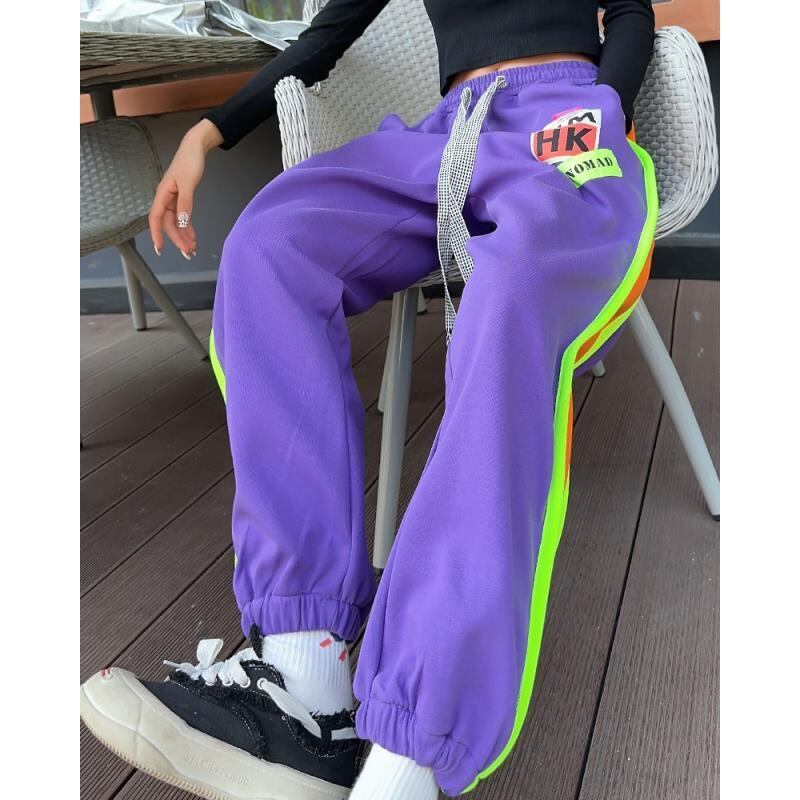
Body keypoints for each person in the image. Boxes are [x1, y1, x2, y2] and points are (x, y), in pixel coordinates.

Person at [80, 1, 657, 798]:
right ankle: (305, 680)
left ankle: (410, 756)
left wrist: (608, 107)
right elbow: (327, 36)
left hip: (565, 119)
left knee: (513, 294)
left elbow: (630, 10)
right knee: (269, 246)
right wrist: (205, 133)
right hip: (443, 133)